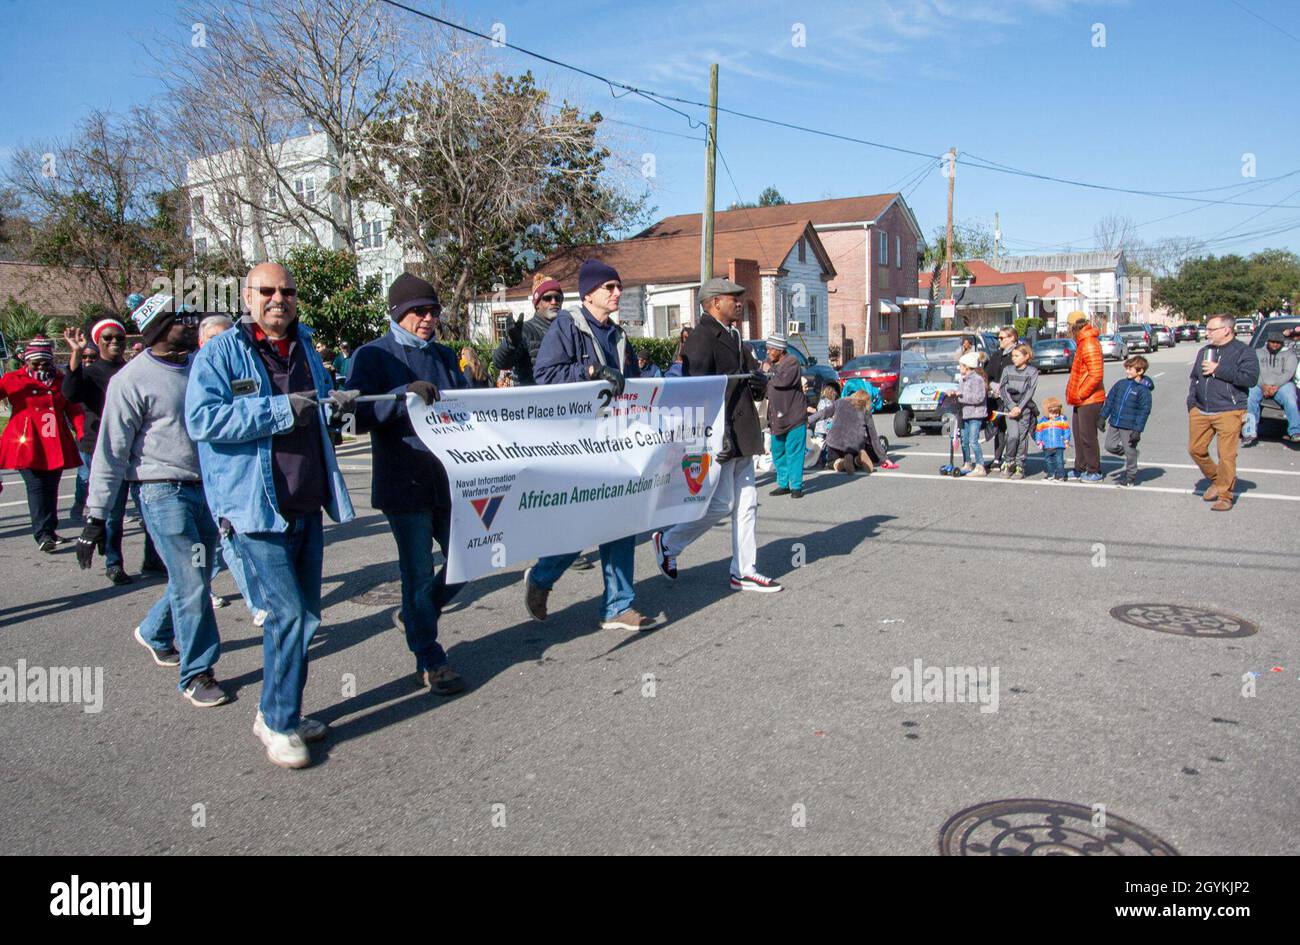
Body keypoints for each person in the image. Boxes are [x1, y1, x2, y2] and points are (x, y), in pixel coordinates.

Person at [186, 262, 356, 769]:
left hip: (306, 501)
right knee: (290, 615)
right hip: (256, 510)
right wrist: (282, 410)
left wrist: (336, 406)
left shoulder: (305, 345)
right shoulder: (219, 354)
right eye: (267, 291)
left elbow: (323, 408)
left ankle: (282, 709)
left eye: (286, 291)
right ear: (247, 296)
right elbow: (202, 420)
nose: (278, 299)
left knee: (304, 618)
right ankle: (277, 721)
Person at [77, 294, 228, 708]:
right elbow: (110, 452)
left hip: (206, 489)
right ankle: (197, 672)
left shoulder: (200, 368)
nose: (192, 323)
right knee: (192, 579)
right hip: (162, 491)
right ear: (160, 328)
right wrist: (95, 517)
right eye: (183, 319)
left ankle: (155, 631)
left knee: (198, 574)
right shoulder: (131, 380)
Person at [345, 272, 469, 695]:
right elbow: (352, 418)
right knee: (417, 574)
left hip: (449, 481)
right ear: (398, 314)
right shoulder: (371, 355)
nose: (428, 318)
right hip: (404, 484)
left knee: (467, 562)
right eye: (419, 311)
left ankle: (416, 615)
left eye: (433, 310)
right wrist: (402, 396)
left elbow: (466, 408)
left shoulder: (447, 356)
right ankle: (430, 657)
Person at [526, 259, 662, 629]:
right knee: (583, 523)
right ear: (589, 293)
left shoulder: (618, 335)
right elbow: (546, 375)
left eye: (619, 287)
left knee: (620, 519)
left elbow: (631, 383)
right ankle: (541, 577)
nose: (617, 293)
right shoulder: (567, 327)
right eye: (610, 288)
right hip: (579, 442)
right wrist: (589, 372)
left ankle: (619, 605)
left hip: (616, 441)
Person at [652, 277, 781, 593]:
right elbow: (696, 393)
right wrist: (712, 435)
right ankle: (668, 542)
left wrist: (759, 381)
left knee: (748, 503)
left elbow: (750, 373)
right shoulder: (700, 338)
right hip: (720, 434)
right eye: (731, 297)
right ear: (713, 302)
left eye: (739, 296)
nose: (738, 301)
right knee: (722, 504)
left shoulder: (736, 336)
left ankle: (744, 571)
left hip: (744, 431)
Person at [196, 314, 267, 624]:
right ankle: (158, 626)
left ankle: (259, 605)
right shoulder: (196, 373)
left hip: (229, 479)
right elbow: (202, 421)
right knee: (202, 560)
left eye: (227, 337)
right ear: (201, 342)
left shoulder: (244, 372)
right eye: (214, 339)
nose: (222, 345)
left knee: (230, 545)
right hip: (187, 480)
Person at [62, 314, 139, 583]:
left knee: (149, 511)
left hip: (137, 449)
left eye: (119, 337)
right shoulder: (91, 372)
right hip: (104, 447)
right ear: (98, 342)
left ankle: (154, 559)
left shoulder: (132, 369)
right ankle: (114, 562)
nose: (115, 342)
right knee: (113, 513)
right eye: (108, 338)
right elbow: (70, 393)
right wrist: (76, 353)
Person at [0, 336, 84, 552]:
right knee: (36, 487)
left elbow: (73, 409)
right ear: (26, 361)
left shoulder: (59, 379)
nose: (40, 367)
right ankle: (42, 534)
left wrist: (82, 432)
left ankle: (50, 530)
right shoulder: (12, 379)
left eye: (45, 363)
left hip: (55, 441)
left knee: (51, 487)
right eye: (35, 363)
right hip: (26, 443)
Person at [1187, 313, 1259, 511]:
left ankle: (1225, 495)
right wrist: (1191, 403)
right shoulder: (1204, 351)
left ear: (1227, 330)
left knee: (1226, 455)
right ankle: (1219, 480)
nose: (1207, 332)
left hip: (1230, 409)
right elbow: (1194, 378)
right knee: (1195, 449)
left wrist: (1219, 369)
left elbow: (1249, 379)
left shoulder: (1244, 352)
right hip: (1201, 409)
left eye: (1211, 329)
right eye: (1207, 329)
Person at [493, 273, 564, 387]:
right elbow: (500, 362)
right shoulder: (525, 331)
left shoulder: (567, 330)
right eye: (547, 298)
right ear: (537, 304)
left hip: (562, 400)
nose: (554, 302)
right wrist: (510, 343)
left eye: (558, 297)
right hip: (532, 401)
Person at [765, 334, 808, 498]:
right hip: (777, 418)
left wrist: (767, 372)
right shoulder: (772, 364)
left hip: (794, 416)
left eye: (771, 348)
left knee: (794, 451)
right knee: (777, 451)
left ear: (780, 349)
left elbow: (782, 381)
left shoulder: (791, 362)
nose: (768, 351)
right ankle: (783, 484)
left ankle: (796, 486)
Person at [1064, 310, 1105, 482]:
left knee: (1088, 436)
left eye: (1068, 326)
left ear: (1074, 326)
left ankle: (1094, 470)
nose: (1067, 329)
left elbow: (1096, 373)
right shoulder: (1082, 341)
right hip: (1081, 400)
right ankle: (1080, 468)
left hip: (1090, 399)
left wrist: (1082, 393)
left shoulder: (1088, 342)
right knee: (1079, 435)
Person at [1101, 354, 1153, 487]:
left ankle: (1130, 477)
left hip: (1129, 426)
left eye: (1130, 369)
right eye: (1127, 368)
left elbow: (1144, 411)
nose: (1127, 371)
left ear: (1140, 371)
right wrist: (1102, 416)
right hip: (1115, 422)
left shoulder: (1143, 390)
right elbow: (1110, 400)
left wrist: (1137, 430)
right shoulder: (1121, 384)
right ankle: (1131, 453)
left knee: (1130, 452)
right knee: (1109, 446)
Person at [1242, 328, 1299, 445]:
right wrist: (1263, 386)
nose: (1275, 345)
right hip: (1260, 384)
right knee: (1250, 397)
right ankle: (1249, 431)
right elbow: (1254, 372)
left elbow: (1288, 372)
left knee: (1291, 399)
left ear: (1282, 343)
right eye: (1272, 342)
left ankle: (1295, 431)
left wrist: (1276, 386)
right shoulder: (1257, 352)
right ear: (1267, 341)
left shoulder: (1289, 354)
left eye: (1278, 342)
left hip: (1282, 384)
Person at [997, 343, 1039, 480]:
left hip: (1024, 408)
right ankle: (1009, 461)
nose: (1013, 358)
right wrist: (1011, 406)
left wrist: (1019, 407)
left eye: (1017, 355)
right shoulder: (1008, 370)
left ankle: (1020, 465)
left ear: (1026, 356)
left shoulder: (1032, 371)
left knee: (1022, 437)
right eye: (1012, 356)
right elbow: (1002, 388)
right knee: (1013, 435)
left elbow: (1030, 391)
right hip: (1009, 409)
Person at [806, 389, 874, 474]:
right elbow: (873, 436)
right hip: (855, 446)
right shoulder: (866, 411)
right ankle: (857, 460)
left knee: (830, 463)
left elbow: (824, 413)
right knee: (854, 455)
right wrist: (884, 458)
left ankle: (841, 463)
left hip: (835, 443)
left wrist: (808, 420)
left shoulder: (841, 402)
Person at [984, 326, 1019, 470]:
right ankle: (997, 459)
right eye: (999, 337)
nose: (999, 340)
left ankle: (1013, 460)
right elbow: (987, 373)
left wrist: (1004, 388)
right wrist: (992, 385)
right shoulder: (997, 355)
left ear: (1012, 338)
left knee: (1014, 431)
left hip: (1012, 398)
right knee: (998, 427)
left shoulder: (1018, 354)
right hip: (996, 397)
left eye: (1002, 338)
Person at [957, 351, 988, 476]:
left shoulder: (977, 379)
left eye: (961, 366)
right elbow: (961, 393)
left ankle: (980, 466)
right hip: (965, 414)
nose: (959, 368)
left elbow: (979, 398)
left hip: (976, 415)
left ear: (967, 367)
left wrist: (960, 397)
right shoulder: (963, 379)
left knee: (973, 441)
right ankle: (967, 463)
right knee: (964, 440)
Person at [1035, 396, 1071, 481]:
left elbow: (1066, 430)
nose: (1054, 415)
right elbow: (1039, 431)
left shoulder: (1062, 421)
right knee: (1048, 460)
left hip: (1059, 445)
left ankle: (1060, 474)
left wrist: (1066, 439)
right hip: (1047, 445)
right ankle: (1051, 473)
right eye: (1052, 413)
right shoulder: (1043, 422)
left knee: (1059, 461)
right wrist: (1038, 441)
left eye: (1056, 413)